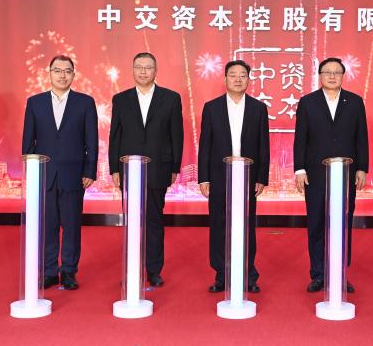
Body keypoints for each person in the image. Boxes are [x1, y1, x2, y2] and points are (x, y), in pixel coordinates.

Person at [22, 55, 98, 290]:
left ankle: (68, 271)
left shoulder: (85, 103)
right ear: (49, 73)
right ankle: (49, 271)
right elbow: (28, 143)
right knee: (48, 225)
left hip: (74, 174)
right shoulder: (35, 103)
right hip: (44, 175)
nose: (62, 75)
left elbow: (91, 141)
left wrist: (90, 170)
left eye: (67, 71)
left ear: (73, 74)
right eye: (57, 70)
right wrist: (31, 173)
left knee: (72, 225)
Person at [293, 57, 368, 293]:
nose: (332, 76)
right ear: (320, 76)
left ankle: (340, 273)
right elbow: (301, 138)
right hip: (315, 174)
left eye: (337, 72)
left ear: (343, 76)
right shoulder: (308, 102)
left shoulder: (355, 102)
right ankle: (318, 274)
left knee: (342, 223)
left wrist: (362, 168)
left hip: (346, 174)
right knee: (316, 223)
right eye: (328, 72)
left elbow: (361, 138)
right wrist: (299, 169)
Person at [109, 52, 183, 288]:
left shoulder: (171, 98)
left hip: (158, 168)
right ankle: (132, 268)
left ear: (155, 71)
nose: (143, 71)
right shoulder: (121, 99)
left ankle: (154, 269)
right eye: (138, 67)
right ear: (132, 70)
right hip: (128, 169)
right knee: (132, 221)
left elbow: (177, 135)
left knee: (154, 222)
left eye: (148, 67)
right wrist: (114, 168)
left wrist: (174, 166)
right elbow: (115, 136)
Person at [198, 60, 270, 293]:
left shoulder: (258, 108)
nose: (238, 79)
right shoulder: (212, 107)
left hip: (248, 175)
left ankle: (249, 275)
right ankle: (221, 274)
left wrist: (262, 177)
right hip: (219, 175)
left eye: (242, 75)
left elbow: (263, 145)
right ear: (225, 79)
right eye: (233, 75)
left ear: (248, 79)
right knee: (219, 225)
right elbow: (205, 145)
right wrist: (204, 178)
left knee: (246, 225)